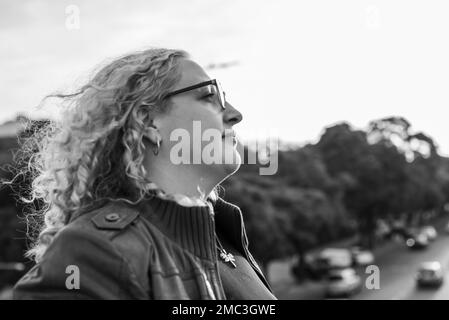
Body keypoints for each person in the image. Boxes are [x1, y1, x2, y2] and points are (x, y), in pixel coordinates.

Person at [13, 48, 277, 300]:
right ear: (148, 121)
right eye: (210, 95)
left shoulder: (222, 234)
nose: (235, 114)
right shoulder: (97, 250)